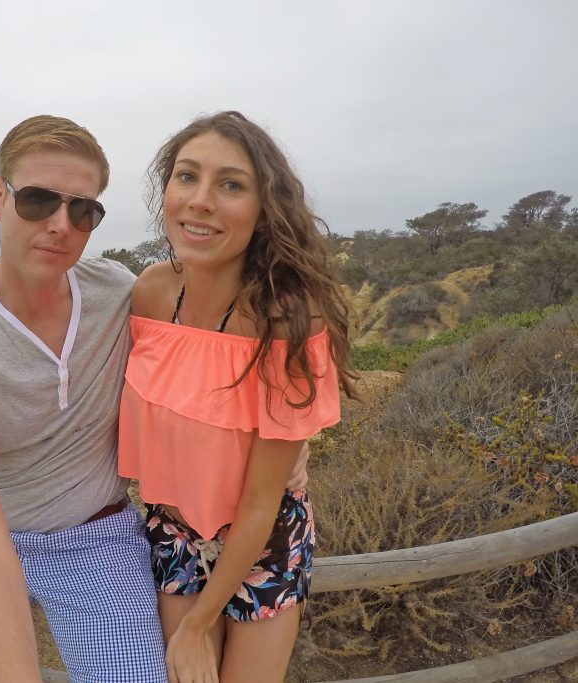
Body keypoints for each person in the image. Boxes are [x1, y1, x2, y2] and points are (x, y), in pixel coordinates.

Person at [0, 114, 309, 683]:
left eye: (83, 210)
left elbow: (207, 341)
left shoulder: (121, 294)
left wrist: (280, 442)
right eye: (36, 200)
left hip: (97, 539)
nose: (61, 225)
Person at [118, 111, 359, 683]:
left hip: (263, 537)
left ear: (263, 209)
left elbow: (259, 503)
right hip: (171, 530)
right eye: (186, 176)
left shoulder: (286, 321)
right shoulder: (150, 294)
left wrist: (200, 624)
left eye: (230, 184)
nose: (200, 200)